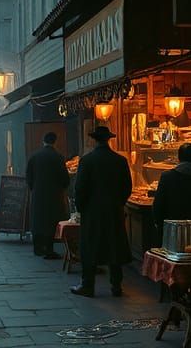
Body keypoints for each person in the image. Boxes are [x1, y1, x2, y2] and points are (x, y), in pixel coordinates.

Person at [71, 126, 131, 298]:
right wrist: (119, 203)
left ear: (94, 140)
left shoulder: (87, 160)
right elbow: (127, 187)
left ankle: (87, 285)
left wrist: (82, 209)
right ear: (108, 140)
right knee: (114, 247)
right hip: (114, 211)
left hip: (92, 212)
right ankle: (116, 285)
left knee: (90, 248)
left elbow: (80, 188)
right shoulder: (120, 160)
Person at [26, 132, 70, 259]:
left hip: (38, 194)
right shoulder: (58, 157)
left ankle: (37, 248)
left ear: (43, 141)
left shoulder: (34, 156)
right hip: (54, 196)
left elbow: (28, 176)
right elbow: (65, 179)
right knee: (50, 222)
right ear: (54, 142)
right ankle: (49, 249)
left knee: (38, 220)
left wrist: (33, 189)